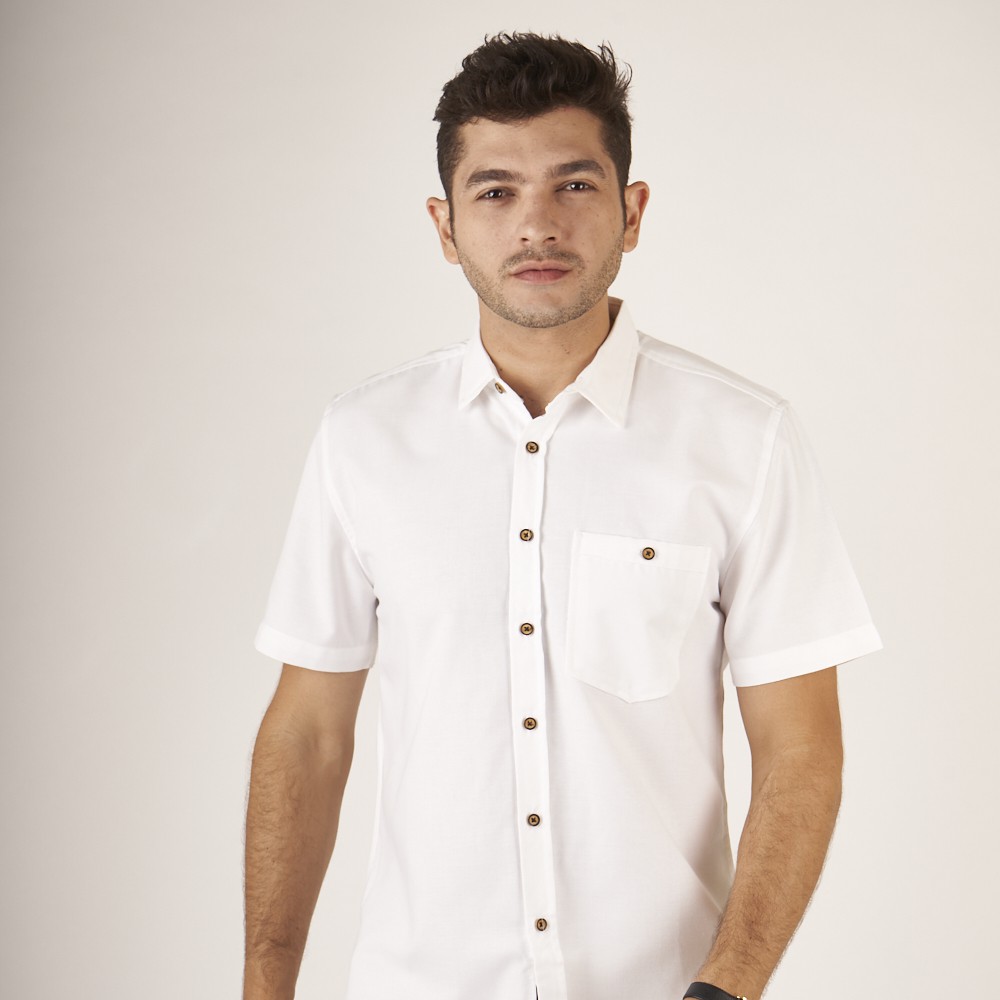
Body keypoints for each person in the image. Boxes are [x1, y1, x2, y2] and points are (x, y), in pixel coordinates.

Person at [243, 33, 881, 1000]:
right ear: (445, 226)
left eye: (574, 185)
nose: (536, 224)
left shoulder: (743, 440)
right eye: (495, 191)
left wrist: (726, 989)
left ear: (633, 211)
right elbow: (308, 734)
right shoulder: (362, 440)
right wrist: (264, 985)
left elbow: (801, 753)